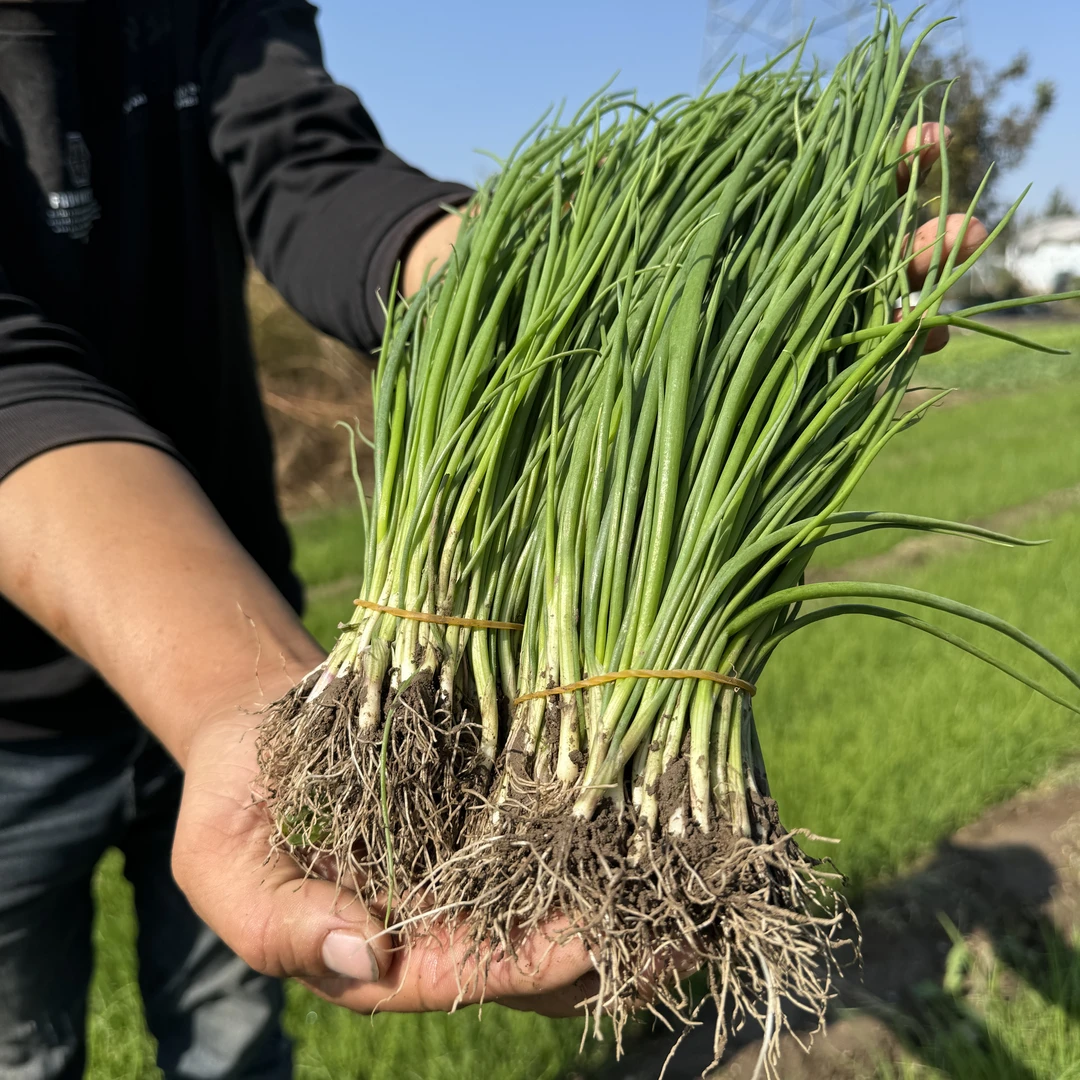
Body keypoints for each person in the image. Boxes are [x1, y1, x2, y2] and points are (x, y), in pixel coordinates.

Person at [0, 2, 983, 1077]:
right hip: (18, 714)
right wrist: (220, 686)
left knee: (234, 1038)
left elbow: (305, 169)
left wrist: (516, 271)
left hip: (249, 625)